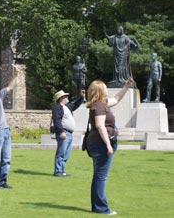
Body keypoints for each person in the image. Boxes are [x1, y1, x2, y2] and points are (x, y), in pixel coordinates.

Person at [85, 78, 133, 215]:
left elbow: (116, 99)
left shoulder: (101, 104)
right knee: (101, 176)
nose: (107, 90)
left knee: (98, 176)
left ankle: (97, 206)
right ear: (100, 90)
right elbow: (100, 126)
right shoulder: (99, 106)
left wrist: (126, 87)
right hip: (100, 144)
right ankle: (101, 208)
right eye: (105, 88)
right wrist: (108, 145)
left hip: (97, 143)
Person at [52, 89, 85, 177]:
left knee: (66, 153)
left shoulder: (66, 107)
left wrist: (81, 97)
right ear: (61, 98)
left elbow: (75, 105)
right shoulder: (57, 107)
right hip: (64, 133)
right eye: (65, 96)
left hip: (69, 133)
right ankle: (58, 171)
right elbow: (57, 120)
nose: (67, 98)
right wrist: (61, 131)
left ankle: (62, 170)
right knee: (61, 152)